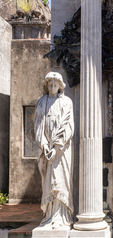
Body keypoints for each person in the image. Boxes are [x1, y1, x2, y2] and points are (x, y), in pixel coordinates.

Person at [34, 72, 74, 229]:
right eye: (50, 85)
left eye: (55, 85)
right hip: (46, 150)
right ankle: (49, 216)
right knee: (48, 181)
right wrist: (44, 146)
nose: (52, 87)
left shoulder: (66, 102)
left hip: (61, 150)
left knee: (60, 179)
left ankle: (61, 217)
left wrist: (57, 146)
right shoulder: (41, 102)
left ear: (60, 86)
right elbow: (38, 127)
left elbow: (68, 125)